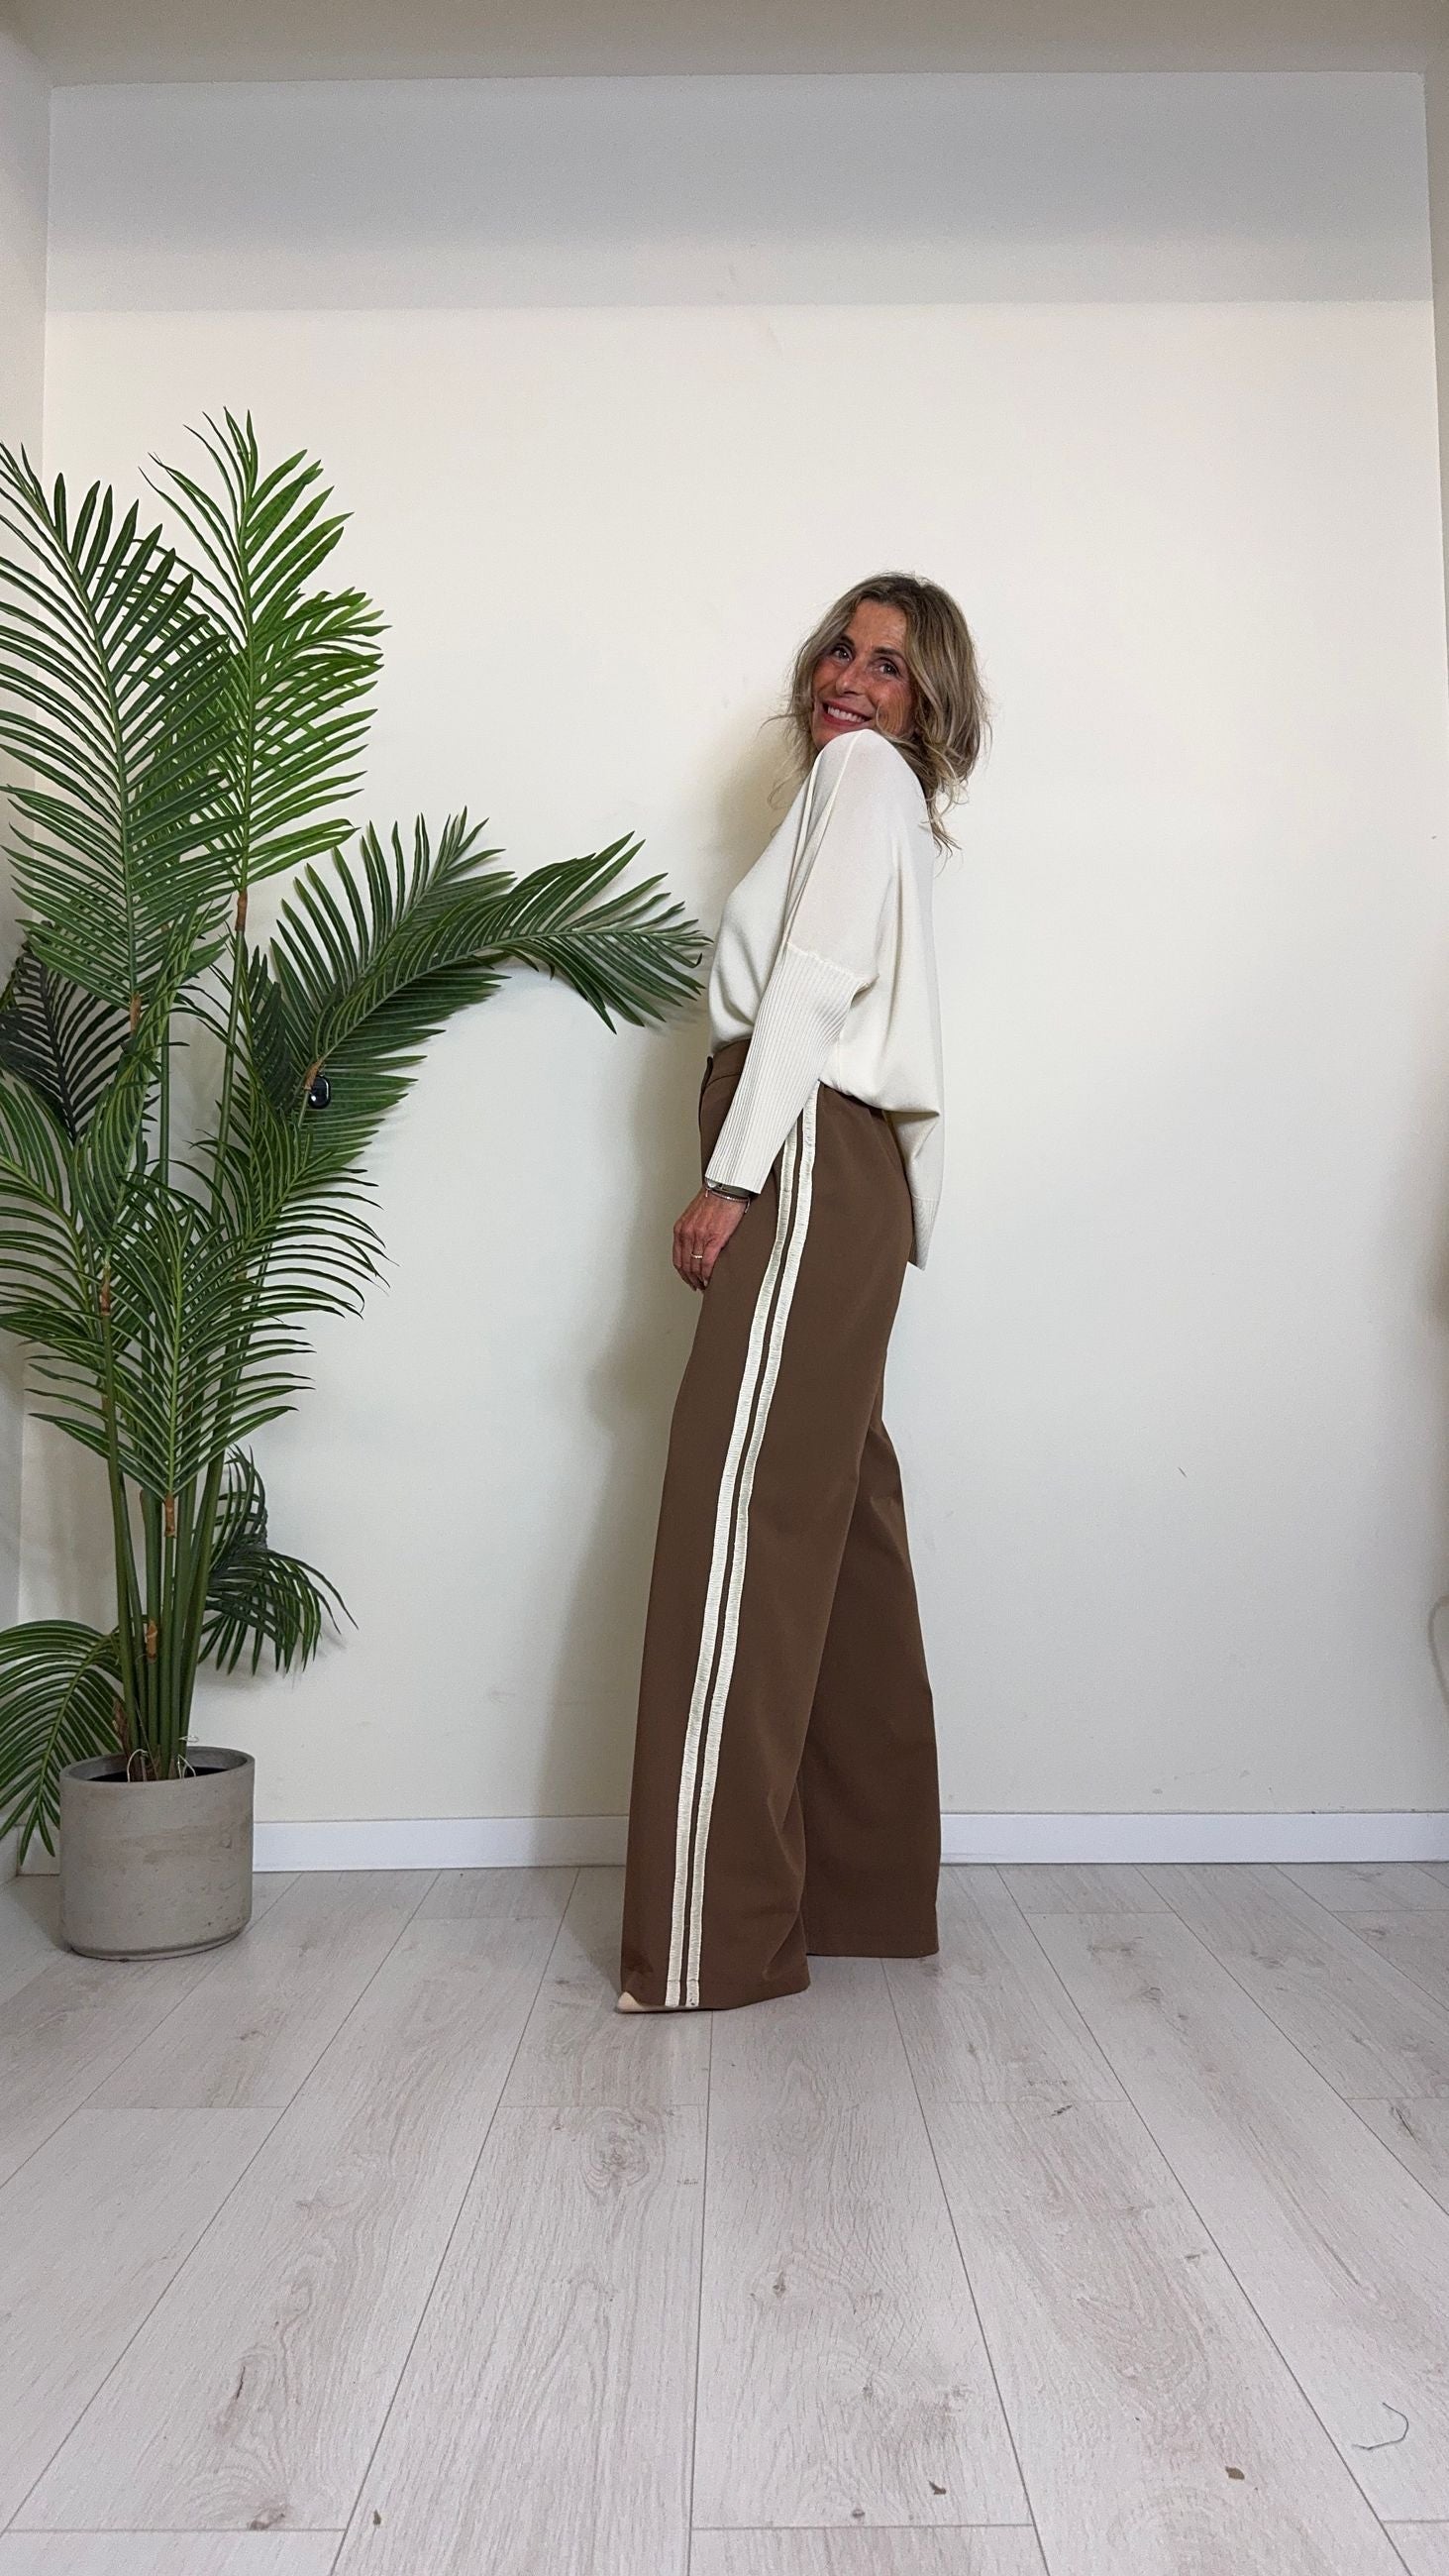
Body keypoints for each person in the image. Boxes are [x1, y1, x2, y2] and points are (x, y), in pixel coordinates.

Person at [618, 573, 989, 2014]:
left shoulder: (860, 778)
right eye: (844, 648)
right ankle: (862, 1893)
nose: (850, 676)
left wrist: (734, 1173)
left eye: (889, 665)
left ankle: (712, 1938)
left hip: (804, 1157)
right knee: (840, 1528)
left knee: (740, 1526)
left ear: (927, 702)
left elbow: (817, 979)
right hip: (847, 1174)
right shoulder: (881, 802)